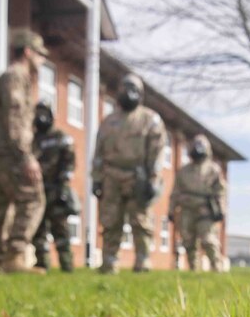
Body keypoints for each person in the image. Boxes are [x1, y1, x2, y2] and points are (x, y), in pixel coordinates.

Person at [0, 28, 46, 273]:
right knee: (33, 197)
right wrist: (26, 157)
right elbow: (15, 117)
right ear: (27, 52)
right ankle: (15, 255)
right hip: (10, 151)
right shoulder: (17, 76)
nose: (41, 59)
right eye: (39, 54)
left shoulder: (7, 76)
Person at [92, 74, 166, 274]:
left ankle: (142, 261)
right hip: (111, 176)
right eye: (124, 87)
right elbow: (99, 153)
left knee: (140, 221)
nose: (128, 92)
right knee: (110, 220)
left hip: (138, 176)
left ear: (141, 94)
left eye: (133, 88)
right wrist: (96, 178)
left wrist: (153, 180)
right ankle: (109, 261)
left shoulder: (150, 120)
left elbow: (157, 153)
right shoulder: (109, 121)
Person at [32, 101, 78, 272]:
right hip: (38, 192)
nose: (40, 117)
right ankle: (42, 264)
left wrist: (64, 186)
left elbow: (69, 162)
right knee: (38, 230)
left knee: (61, 230)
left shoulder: (61, 137)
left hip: (57, 190)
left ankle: (67, 265)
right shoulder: (32, 140)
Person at [169, 135, 227, 271]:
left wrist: (221, 209)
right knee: (188, 240)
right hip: (187, 209)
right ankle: (193, 268)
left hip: (205, 210)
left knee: (208, 239)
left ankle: (216, 267)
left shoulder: (213, 170)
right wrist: (171, 210)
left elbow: (221, 191)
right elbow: (175, 192)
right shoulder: (183, 171)